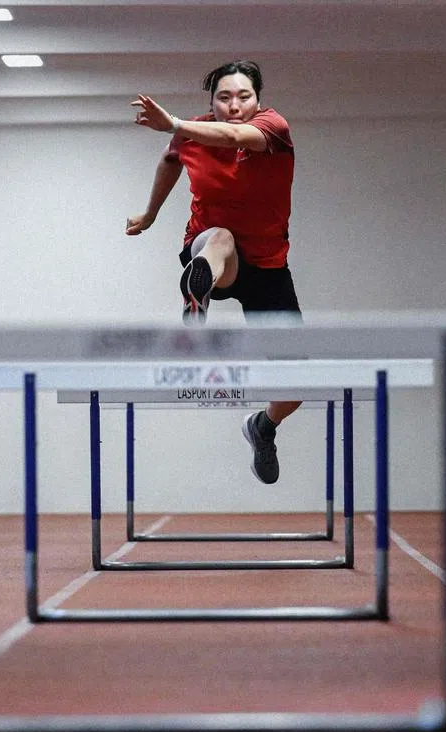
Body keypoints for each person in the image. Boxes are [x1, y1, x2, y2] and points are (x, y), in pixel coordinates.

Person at [126, 59, 302, 485]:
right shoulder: (191, 134)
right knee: (219, 237)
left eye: (244, 96)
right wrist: (150, 214)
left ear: (259, 100)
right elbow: (171, 161)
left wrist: (177, 124)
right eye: (224, 98)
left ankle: (263, 426)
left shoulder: (272, 127)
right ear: (212, 102)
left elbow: (236, 136)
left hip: (267, 267)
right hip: (214, 251)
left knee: (296, 385)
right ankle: (197, 298)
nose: (234, 105)